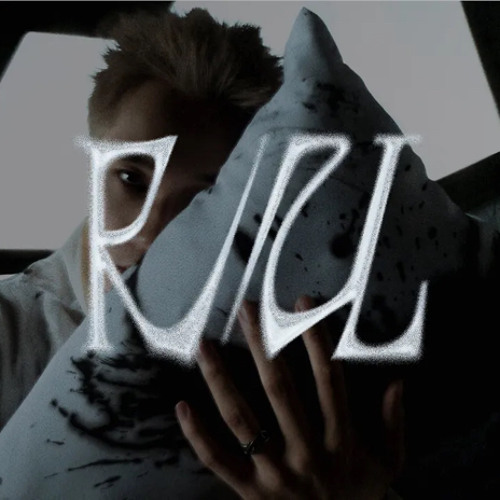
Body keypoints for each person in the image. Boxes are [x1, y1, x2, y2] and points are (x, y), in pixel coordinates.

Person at [0, 7, 406, 499]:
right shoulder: (10, 329)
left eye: (200, 201)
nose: (150, 233)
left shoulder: (291, 357)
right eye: (131, 179)